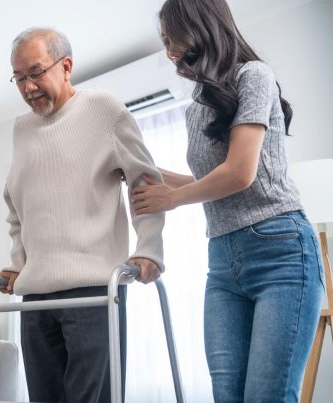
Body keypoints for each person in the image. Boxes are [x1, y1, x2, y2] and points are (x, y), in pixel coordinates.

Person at [132, 1, 324, 402]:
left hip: (280, 251)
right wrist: (134, 166)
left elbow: (240, 173)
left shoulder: (254, 75)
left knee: (266, 395)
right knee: (227, 396)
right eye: (165, 41)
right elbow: (207, 182)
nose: (169, 51)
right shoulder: (197, 108)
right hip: (223, 261)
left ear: (200, 25)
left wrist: (173, 199)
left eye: (173, 38)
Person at [0, 27, 165, 403]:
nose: (28, 87)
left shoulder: (104, 110)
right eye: (19, 78)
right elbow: (17, 208)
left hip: (93, 292)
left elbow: (144, 183)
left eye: (36, 72)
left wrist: (149, 248)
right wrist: (18, 263)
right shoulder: (21, 128)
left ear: (66, 66)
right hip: (37, 298)